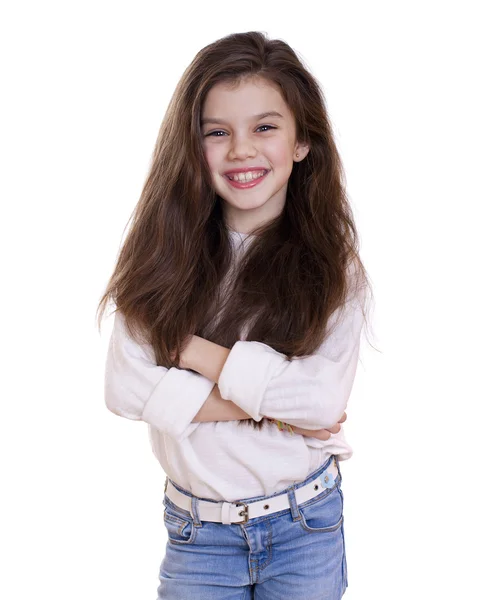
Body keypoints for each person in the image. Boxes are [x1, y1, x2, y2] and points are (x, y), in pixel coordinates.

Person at [97, 30, 373, 600]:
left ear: (302, 142)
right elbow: (125, 389)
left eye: (264, 128)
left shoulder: (334, 268)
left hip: (305, 527)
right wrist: (278, 410)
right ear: (191, 147)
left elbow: (322, 403)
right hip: (199, 536)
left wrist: (191, 352)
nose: (241, 150)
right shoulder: (159, 257)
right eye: (217, 132)